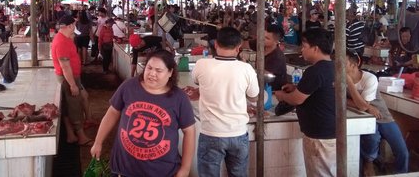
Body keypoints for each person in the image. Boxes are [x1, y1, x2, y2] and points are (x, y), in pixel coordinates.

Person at [90, 50, 195, 177]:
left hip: (161, 171)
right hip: (124, 168)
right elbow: (112, 112)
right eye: (149, 68)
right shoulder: (129, 86)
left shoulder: (179, 98)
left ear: (170, 73)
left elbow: (189, 131)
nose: (152, 74)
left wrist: (185, 168)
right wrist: (98, 141)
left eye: (159, 70)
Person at [184, 27, 259, 177]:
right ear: (238, 48)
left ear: (216, 44)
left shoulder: (202, 64)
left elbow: (200, 82)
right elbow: (254, 97)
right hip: (238, 133)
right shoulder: (246, 69)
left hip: (211, 133)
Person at [275, 28, 335, 177]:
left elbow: (296, 99)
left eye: (304, 46)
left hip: (319, 134)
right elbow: (318, 90)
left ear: (315, 48)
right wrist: (296, 87)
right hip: (330, 129)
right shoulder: (332, 67)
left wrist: (281, 95)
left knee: (320, 173)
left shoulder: (315, 71)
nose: (302, 50)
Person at [345, 49, 409, 176]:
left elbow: (361, 105)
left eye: (343, 63)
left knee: (402, 152)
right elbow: (361, 106)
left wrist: (350, 86)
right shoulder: (338, 79)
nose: (338, 66)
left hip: (383, 116)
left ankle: (402, 173)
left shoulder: (370, 78)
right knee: (372, 138)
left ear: (354, 65)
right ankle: (368, 164)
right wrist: (366, 106)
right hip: (364, 118)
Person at [51, 15, 92, 146]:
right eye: (73, 25)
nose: (75, 27)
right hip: (69, 78)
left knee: (70, 106)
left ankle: (71, 135)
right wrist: (73, 85)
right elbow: (65, 66)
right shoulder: (61, 42)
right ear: (69, 26)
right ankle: (81, 137)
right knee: (74, 106)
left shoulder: (65, 38)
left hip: (71, 77)